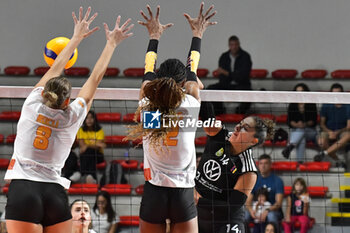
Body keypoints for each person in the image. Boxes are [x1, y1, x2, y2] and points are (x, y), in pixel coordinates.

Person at [4, 6, 133, 233]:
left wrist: (75, 38)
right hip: (54, 193)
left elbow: (56, 67)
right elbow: (95, 78)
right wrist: (111, 43)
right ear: (67, 102)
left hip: (23, 189)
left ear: (44, 93)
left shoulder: (32, 103)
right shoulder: (73, 115)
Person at [126, 3, 216, 233]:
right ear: (183, 84)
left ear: (157, 80)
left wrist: (154, 36)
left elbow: (148, 71)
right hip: (183, 194)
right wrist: (198, 34)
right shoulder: (190, 103)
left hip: (154, 191)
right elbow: (192, 71)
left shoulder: (148, 106)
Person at [195, 108, 275, 233]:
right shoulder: (220, 135)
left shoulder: (248, 170)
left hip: (225, 219)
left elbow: (231, 207)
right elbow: (206, 112)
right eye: (240, 123)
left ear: (254, 141)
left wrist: (198, 200)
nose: (237, 127)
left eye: (245, 128)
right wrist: (199, 92)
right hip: (198, 212)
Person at [207, 35, 252, 115]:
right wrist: (233, 75)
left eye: (236, 44)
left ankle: (240, 114)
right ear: (229, 45)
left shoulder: (246, 56)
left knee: (249, 93)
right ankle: (219, 112)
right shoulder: (224, 57)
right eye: (232, 45)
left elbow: (243, 76)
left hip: (242, 85)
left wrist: (226, 73)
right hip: (227, 85)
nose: (234, 47)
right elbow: (222, 77)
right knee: (211, 89)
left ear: (239, 44)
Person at [314, 83, 350, 168]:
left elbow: (349, 126)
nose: (336, 96)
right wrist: (330, 132)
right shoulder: (326, 105)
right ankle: (338, 160)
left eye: (338, 93)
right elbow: (322, 124)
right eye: (334, 94)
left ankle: (324, 153)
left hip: (342, 131)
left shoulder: (348, 106)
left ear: (342, 94)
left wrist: (337, 132)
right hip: (328, 130)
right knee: (321, 142)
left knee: (348, 135)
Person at [245, 154, 284, 228]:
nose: (263, 166)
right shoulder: (254, 180)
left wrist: (267, 210)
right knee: (244, 216)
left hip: (272, 210)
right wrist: (251, 210)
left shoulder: (277, 181)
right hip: (256, 209)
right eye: (261, 163)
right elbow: (248, 201)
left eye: (266, 163)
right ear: (258, 165)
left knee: (271, 216)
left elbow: (278, 203)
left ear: (270, 165)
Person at [282, 83, 318, 163]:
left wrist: (305, 124)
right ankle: (300, 162)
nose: (300, 93)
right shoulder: (292, 105)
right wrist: (296, 124)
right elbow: (289, 121)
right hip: (296, 130)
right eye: (297, 92)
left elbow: (314, 121)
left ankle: (290, 146)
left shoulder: (311, 104)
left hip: (310, 131)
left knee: (301, 130)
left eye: (302, 91)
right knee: (301, 138)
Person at [77, 110, 106, 183]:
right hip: (85, 155)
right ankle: (92, 177)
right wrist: (94, 144)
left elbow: (98, 147)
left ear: (94, 119)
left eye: (91, 118)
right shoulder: (81, 130)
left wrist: (88, 145)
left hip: (98, 156)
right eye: (87, 118)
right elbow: (82, 146)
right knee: (88, 152)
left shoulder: (99, 131)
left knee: (91, 151)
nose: (89, 120)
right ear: (84, 120)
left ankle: (82, 174)